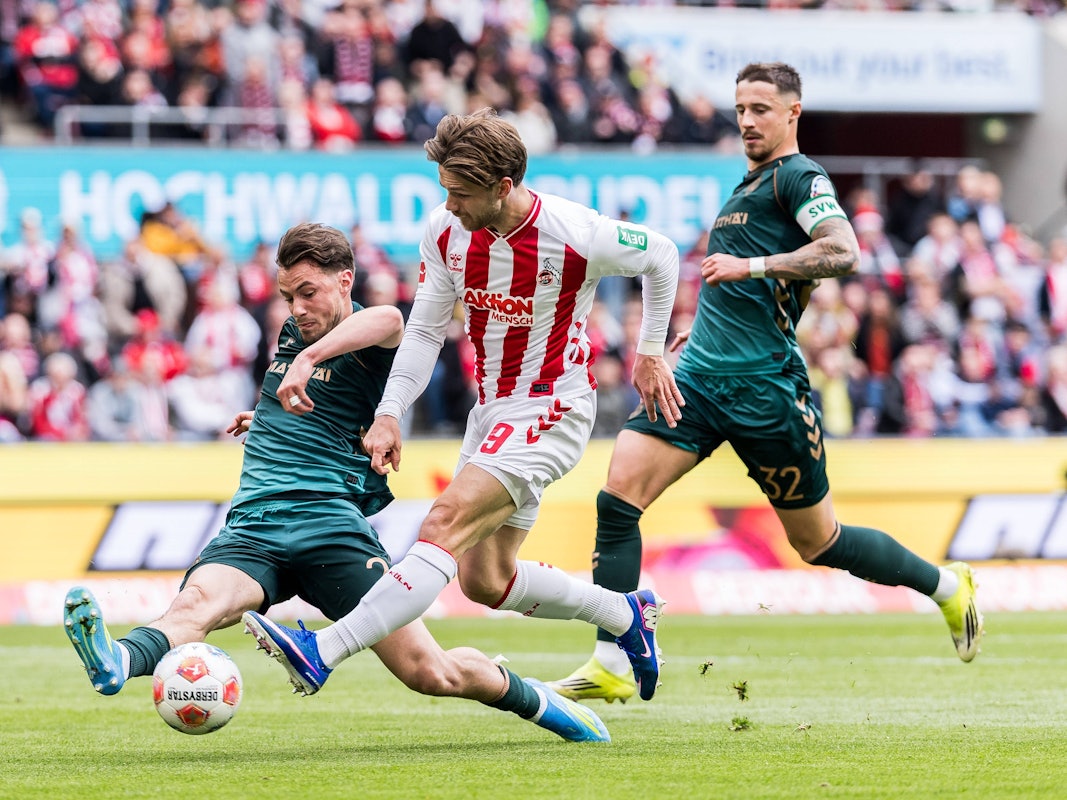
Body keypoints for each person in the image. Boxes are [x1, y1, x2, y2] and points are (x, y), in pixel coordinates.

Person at [63, 222, 611, 744]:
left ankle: (538, 701)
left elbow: (391, 319)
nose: (297, 309)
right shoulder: (294, 335)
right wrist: (270, 415)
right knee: (195, 609)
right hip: (254, 524)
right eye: (288, 297)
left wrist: (310, 357)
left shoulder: (374, 341)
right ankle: (118, 661)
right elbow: (316, 400)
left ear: (344, 280)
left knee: (429, 671)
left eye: (308, 292)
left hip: (329, 526)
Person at [546, 62, 984, 705]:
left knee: (819, 542)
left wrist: (756, 264)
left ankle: (947, 587)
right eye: (741, 108)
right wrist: (686, 341)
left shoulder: (798, 177)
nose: (747, 120)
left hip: (765, 390)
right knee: (618, 499)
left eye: (760, 108)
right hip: (698, 379)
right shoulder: (746, 188)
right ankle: (613, 655)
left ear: (792, 113)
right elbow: (734, 299)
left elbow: (843, 250)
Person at [243, 108, 683, 704]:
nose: (448, 204)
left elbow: (661, 255)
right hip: (493, 412)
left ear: (503, 187)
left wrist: (649, 352)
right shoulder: (445, 232)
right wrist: (391, 411)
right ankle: (628, 615)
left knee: (441, 526)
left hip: (553, 407)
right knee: (486, 580)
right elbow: (423, 330)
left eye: (460, 193)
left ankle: (324, 650)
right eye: (444, 190)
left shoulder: (576, 232)